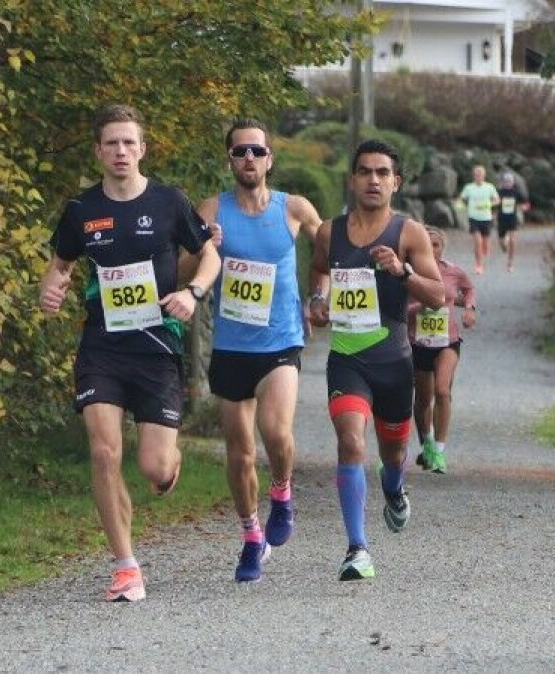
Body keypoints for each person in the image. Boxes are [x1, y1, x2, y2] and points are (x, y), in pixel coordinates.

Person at [39, 103, 220, 603]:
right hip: (102, 348)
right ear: (98, 152)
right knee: (103, 451)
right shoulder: (81, 210)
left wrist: (194, 293)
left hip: (157, 347)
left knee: (154, 468)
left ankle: (171, 461)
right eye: (111, 143)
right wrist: (49, 291)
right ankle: (125, 567)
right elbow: (59, 267)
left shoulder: (169, 202)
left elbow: (209, 255)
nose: (120, 151)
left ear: (142, 149)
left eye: (128, 142)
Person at [308, 139, 445, 581]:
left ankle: (394, 489)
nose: (373, 179)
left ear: (396, 182)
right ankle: (357, 549)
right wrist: (318, 300)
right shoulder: (330, 231)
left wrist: (402, 271)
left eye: (382, 173)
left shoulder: (409, 233)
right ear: (352, 179)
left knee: (394, 453)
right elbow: (319, 273)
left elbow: (440, 298)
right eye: (365, 171)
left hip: (394, 363)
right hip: (347, 360)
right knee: (350, 441)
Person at [194, 119, 322, 582]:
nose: (249, 158)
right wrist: (204, 245)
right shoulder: (212, 209)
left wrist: (321, 293)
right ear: (229, 159)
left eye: (257, 151)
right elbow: (186, 263)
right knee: (239, 451)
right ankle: (251, 536)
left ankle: (283, 491)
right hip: (231, 345)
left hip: (280, 340)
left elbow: (328, 248)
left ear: (270, 159)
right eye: (240, 151)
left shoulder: (294, 208)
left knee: (275, 431)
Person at [407, 228, 476, 474]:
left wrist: (470, 308)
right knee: (423, 399)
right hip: (418, 342)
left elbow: (468, 289)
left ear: (442, 247)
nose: (432, 249)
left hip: (447, 340)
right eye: (427, 244)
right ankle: (426, 444)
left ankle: (439, 450)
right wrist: (415, 308)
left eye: (436, 245)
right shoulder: (408, 271)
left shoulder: (452, 271)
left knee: (443, 390)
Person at [458, 165, 499, 275]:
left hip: (486, 218)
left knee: (485, 245)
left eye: (480, 174)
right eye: (476, 174)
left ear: (484, 176)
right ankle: (479, 265)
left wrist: (490, 204)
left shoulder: (489, 187)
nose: (478, 176)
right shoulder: (469, 187)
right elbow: (462, 198)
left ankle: (484, 250)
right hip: (473, 218)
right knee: (478, 242)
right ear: (474, 176)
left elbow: (497, 200)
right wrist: (460, 204)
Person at [496, 172, 529, 273]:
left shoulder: (516, 192)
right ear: (503, 182)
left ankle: (510, 263)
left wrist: (524, 207)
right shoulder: (499, 192)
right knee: (502, 244)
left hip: (512, 219)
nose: (507, 183)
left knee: (513, 240)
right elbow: (494, 203)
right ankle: (504, 244)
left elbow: (526, 203)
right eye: (506, 181)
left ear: (513, 182)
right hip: (501, 219)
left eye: (509, 181)